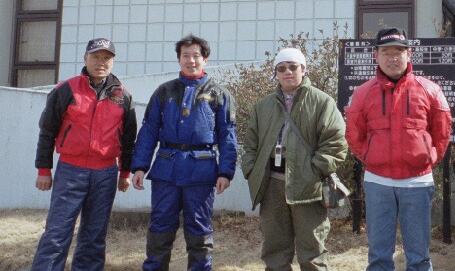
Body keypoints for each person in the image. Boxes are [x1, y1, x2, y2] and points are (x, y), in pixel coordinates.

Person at [345, 27, 452, 271]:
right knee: (379, 256)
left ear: (409, 54)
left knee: (419, 256)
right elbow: (353, 133)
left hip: (418, 182)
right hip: (377, 182)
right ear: (376, 56)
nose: (392, 58)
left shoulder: (430, 89)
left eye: (398, 52)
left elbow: (442, 131)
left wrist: (428, 158)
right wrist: (371, 157)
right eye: (386, 52)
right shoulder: (362, 93)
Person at [131, 34, 237, 271]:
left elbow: (227, 135)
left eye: (196, 56)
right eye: (185, 56)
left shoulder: (219, 94)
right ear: (178, 59)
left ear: (205, 59)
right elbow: (149, 130)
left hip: (201, 171)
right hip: (166, 169)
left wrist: (225, 172)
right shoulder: (164, 92)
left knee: (199, 228)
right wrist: (139, 167)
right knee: (160, 226)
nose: (191, 61)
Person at [32, 38, 137, 271]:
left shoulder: (123, 95)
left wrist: (125, 173)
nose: (101, 62)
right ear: (85, 58)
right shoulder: (65, 89)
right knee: (57, 232)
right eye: (96, 57)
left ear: (113, 61)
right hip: (71, 170)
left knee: (94, 236)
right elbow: (47, 131)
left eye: (106, 58)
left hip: (105, 173)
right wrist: (43, 169)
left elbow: (129, 139)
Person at [241, 47, 348, 271]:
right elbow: (250, 143)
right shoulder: (263, 106)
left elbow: (335, 143)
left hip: (308, 185)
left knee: (312, 249)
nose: (287, 72)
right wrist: (251, 170)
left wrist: (315, 170)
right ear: (276, 73)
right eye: (281, 68)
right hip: (272, 184)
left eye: (293, 66)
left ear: (304, 69)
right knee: (275, 250)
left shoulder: (322, 102)